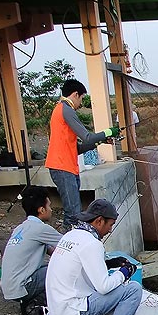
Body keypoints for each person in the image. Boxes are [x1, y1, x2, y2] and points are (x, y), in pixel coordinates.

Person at [45, 198, 142, 315]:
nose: (110, 230)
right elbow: (103, 286)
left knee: (95, 287)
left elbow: (82, 268)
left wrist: (110, 263)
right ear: (99, 221)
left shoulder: (71, 235)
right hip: (73, 310)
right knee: (133, 290)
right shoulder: (92, 244)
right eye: (110, 225)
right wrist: (124, 273)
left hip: (58, 309)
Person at [46, 79, 119, 230]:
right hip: (62, 166)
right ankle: (67, 246)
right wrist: (108, 131)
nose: (81, 103)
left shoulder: (61, 110)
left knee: (73, 211)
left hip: (67, 166)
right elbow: (87, 137)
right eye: (82, 98)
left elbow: (77, 148)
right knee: (73, 214)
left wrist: (101, 141)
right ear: (75, 94)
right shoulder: (66, 109)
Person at [0, 185, 62, 315]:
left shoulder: (21, 228)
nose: (51, 210)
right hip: (22, 287)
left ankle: (36, 300)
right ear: (41, 210)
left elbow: (53, 251)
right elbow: (71, 245)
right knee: (59, 269)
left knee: (52, 266)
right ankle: (39, 302)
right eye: (49, 206)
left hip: (10, 287)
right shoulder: (40, 229)